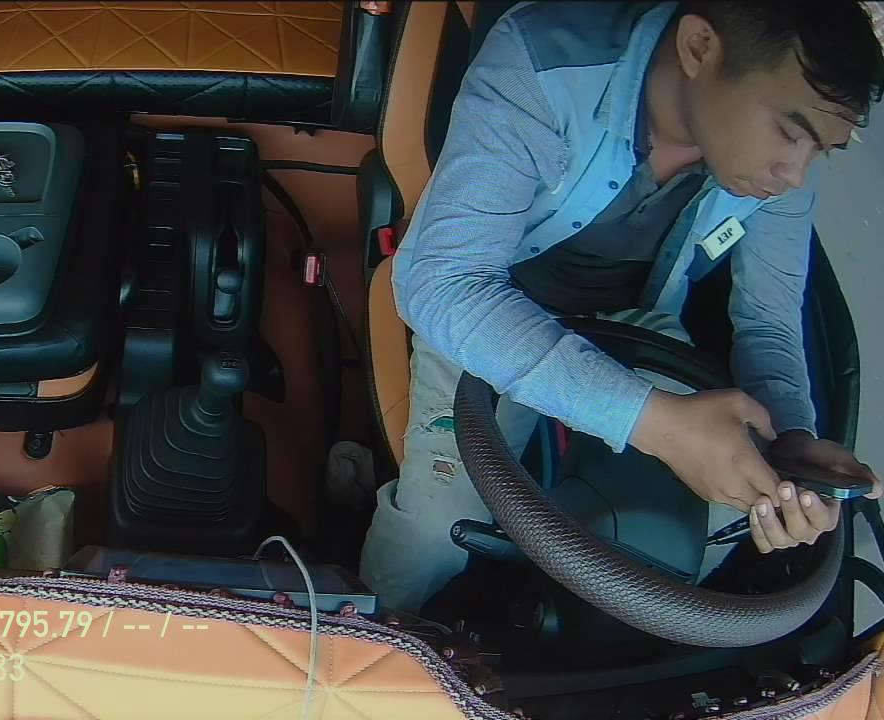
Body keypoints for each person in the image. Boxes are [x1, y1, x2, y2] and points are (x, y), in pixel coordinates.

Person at [361, 0, 884, 614]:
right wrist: (655, 424)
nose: (796, 174)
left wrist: (790, 441)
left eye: (821, 150)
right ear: (698, 48)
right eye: (790, 133)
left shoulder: (781, 171)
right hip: (491, 309)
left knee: (710, 525)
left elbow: (768, 322)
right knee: (437, 526)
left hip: (638, 324)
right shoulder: (541, 65)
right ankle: (354, 642)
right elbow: (445, 283)